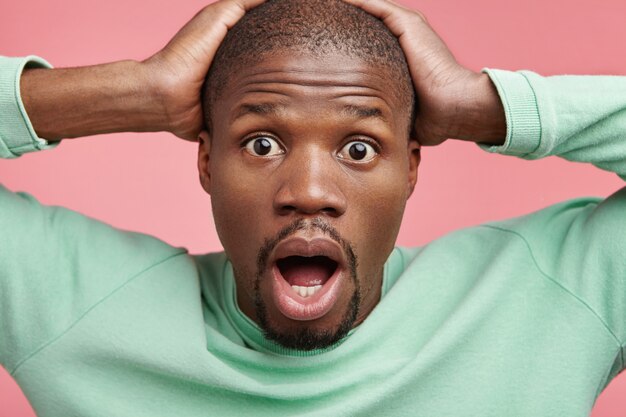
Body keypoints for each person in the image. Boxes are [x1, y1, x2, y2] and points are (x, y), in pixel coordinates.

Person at [1, 0, 625, 415]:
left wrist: (483, 104)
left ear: (411, 167)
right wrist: (140, 91)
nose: (308, 191)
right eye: (262, 143)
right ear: (207, 162)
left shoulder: (546, 294)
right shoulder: (78, 305)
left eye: (358, 147)